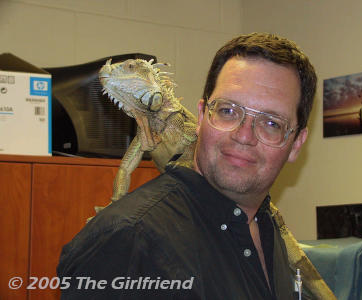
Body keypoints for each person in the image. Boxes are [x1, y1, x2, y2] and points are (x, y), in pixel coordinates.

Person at [57, 32, 317, 300]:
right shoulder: (126, 237)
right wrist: (116, 201)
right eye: (227, 111)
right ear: (203, 116)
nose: (243, 135)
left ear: (296, 143)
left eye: (272, 123)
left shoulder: (266, 227)